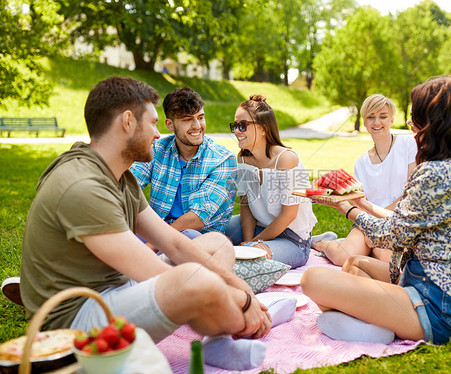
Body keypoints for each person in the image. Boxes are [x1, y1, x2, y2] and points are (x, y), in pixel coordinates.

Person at [19, 77, 281, 371]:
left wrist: (240, 287)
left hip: (115, 288)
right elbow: (159, 274)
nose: (158, 134)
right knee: (196, 280)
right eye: (154, 123)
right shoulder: (82, 185)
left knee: (215, 244)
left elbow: (174, 241)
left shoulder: (120, 176)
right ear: (128, 122)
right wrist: (242, 304)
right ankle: (244, 325)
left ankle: (218, 340)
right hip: (78, 319)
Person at [301, 77, 451, 345]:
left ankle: (374, 329)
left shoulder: (435, 172)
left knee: (313, 279)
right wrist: (364, 205)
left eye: (416, 119)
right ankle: (371, 322)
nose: (413, 128)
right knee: (354, 263)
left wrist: (344, 207)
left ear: (436, 122)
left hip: (439, 309)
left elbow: (390, 237)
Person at [312, 94, 417, 265]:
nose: (377, 122)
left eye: (383, 116)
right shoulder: (361, 162)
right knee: (341, 258)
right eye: (371, 117)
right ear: (365, 122)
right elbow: (359, 202)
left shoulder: (409, 144)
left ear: (391, 119)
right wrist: (372, 223)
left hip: (398, 221)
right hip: (369, 221)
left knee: (388, 259)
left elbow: (410, 194)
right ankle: (323, 243)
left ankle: (355, 246)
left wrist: (380, 220)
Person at [130, 87, 236, 240]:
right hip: (158, 229)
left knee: (189, 236)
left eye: (200, 117)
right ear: (170, 125)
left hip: (198, 237)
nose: (197, 126)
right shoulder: (157, 149)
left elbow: (197, 219)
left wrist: (152, 246)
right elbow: (129, 185)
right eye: (187, 120)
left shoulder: (223, 160)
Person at [225, 95, 317, 269]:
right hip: (261, 227)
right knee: (211, 232)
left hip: (293, 240)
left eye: (242, 125)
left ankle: (314, 243)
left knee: (249, 260)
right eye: (235, 126)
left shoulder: (286, 159)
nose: (237, 131)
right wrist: (247, 241)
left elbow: (288, 215)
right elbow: (246, 205)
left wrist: (253, 244)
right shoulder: (243, 158)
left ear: (263, 129)